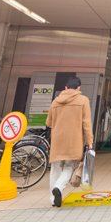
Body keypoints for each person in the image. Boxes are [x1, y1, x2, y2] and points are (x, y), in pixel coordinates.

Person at [46, 77, 94, 207]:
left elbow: (48, 122)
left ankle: (52, 198)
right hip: (74, 140)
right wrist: (90, 141)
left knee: (55, 168)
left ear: (66, 87)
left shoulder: (56, 101)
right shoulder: (83, 100)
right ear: (79, 88)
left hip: (57, 140)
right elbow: (87, 123)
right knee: (69, 166)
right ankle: (58, 187)